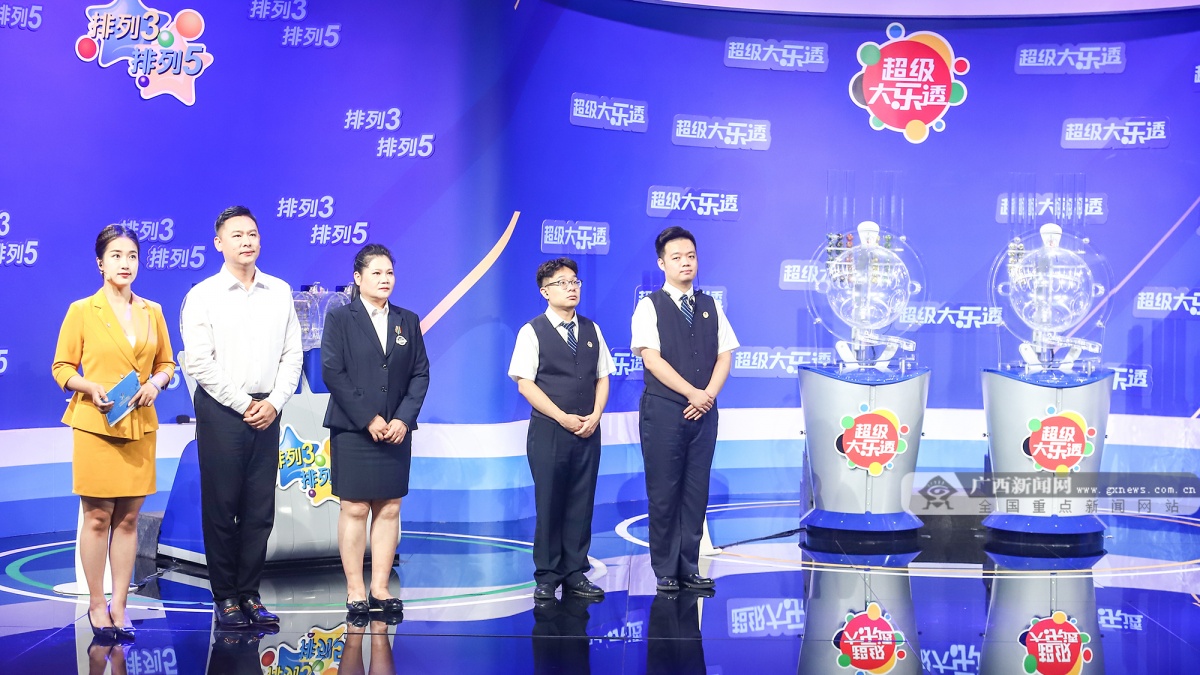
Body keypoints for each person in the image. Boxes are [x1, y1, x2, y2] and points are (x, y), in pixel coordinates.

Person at [180, 206, 303, 627]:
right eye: (237, 235)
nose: (247, 241)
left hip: (268, 410)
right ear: (219, 243)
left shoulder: (280, 291)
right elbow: (199, 362)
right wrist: (242, 403)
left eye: (252, 234)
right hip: (222, 410)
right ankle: (226, 597)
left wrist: (275, 401)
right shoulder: (203, 295)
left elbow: (293, 354)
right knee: (222, 507)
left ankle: (250, 594)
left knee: (259, 509)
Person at [52, 224, 175, 642]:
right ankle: (95, 604)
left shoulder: (152, 311)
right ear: (100, 263)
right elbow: (61, 367)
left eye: (132, 256)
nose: (126, 263)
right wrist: (88, 387)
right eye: (117, 256)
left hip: (139, 424)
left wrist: (156, 383)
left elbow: (166, 363)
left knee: (128, 519)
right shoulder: (82, 310)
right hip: (96, 425)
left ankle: (120, 605)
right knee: (98, 517)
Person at [322, 244, 429, 615]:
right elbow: (332, 372)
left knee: (389, 507)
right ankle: (355, 590)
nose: (385, 280)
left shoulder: (407, 320)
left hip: (396, 430)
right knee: (354, 508)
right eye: (376, 273)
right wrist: (368, 417)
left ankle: (380, 588)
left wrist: (402, 419)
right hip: (354, 429)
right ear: (358, 277)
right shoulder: (340, 318)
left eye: (390, 273)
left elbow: (420, 374)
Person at [631, 226, 738, 593]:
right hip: (665, 411)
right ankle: (665, 569)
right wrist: (692, 393)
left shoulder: (710, 306)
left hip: (704, 412)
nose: (685, 263)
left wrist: (707, 395)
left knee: (695, 492)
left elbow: (725, 355)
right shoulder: (650, 306)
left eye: (690, 256)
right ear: (662, 263)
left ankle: (689, 567)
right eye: (676, 257)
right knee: (664, 492)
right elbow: (651, 359)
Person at [508, 257, 613, 601]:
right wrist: (561, 416)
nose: (571, 288)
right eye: (562, 283)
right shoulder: (532, 331)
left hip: (588, 429)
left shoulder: (592, 330)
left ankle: (575, 572)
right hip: (550, 431)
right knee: (550, 502)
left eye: (574, 282)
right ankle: (547, 575)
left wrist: (596, 414)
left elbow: (603, 376)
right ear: (545, 291)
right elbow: (525, 384)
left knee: (581, 502)